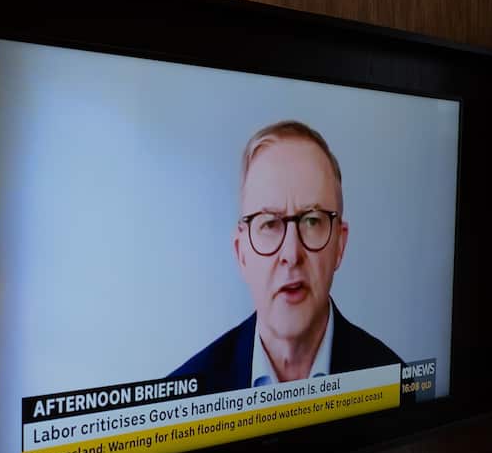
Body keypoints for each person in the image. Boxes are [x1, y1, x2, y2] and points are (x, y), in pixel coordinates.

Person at [169, 120, 401, 389]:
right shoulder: (183, 400)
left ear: (340, 244)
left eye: (312, 221)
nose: (291, 254)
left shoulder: (396, 383)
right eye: (269, 223)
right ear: (241, 253)